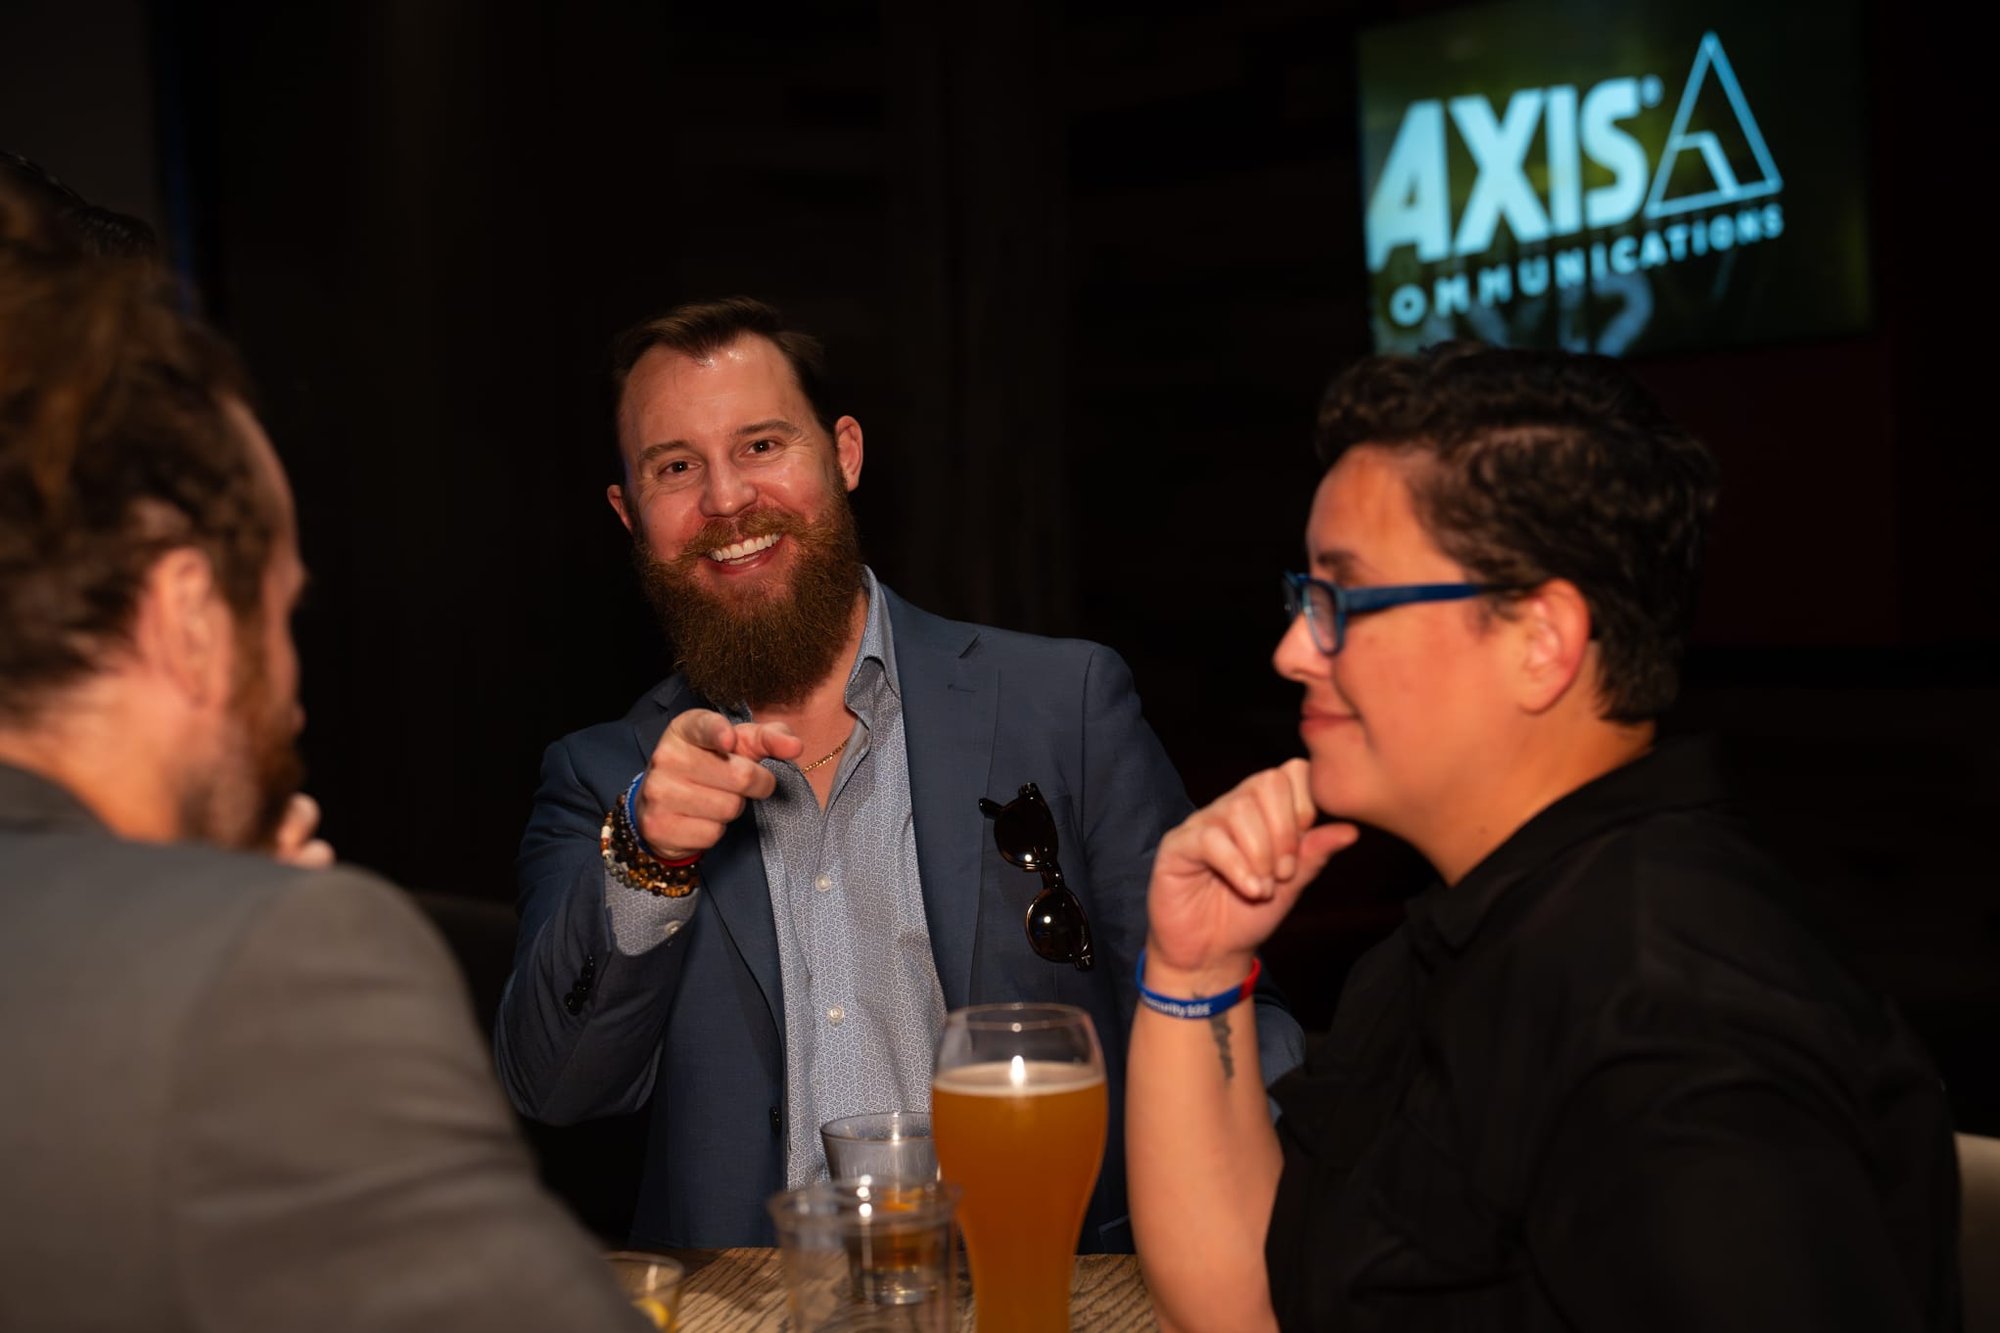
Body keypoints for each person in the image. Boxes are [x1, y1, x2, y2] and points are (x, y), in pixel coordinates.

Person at [1127, 343, 1961, 1331]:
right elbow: (1258, 1302)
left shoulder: (1668, 1016)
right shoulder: (1443, 946)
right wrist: (1195, 969)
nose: (1291, 649)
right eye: (1301, 598)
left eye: (1339, 600)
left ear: (1539, 643)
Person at [491, 296, 1303, 1251]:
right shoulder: (602, 778)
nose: (724, 500)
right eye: (676, 467)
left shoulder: (1063, 703)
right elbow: (553, 1087)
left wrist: (1302, 1209)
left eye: (761, 445)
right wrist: (645, 858)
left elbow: (1217, 1001)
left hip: (1042, 1295)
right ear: (630, 513)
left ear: (844, 453)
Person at [0, 184, 646, 1331]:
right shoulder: (272, 968)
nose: (294, 699)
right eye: (282, 619)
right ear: (192, 619)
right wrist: (219, 941)